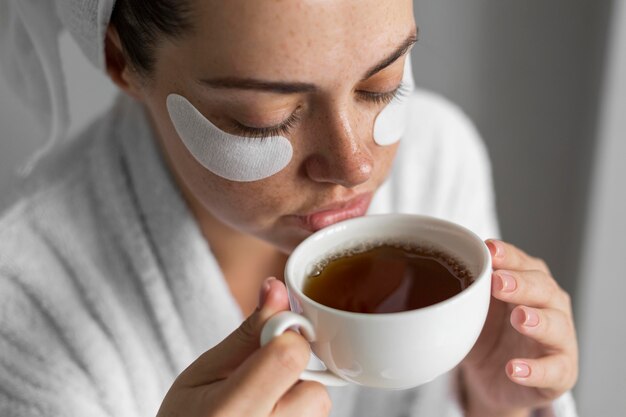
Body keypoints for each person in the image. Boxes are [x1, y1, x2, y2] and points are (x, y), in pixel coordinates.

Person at [0, 0, 579, 416]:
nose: (354, 165)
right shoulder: (24, 306)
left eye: (383, 84)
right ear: (119, 59)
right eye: (265, 120)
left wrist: (492, 406)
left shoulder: (438, 162)